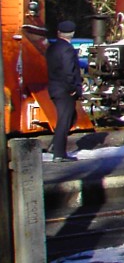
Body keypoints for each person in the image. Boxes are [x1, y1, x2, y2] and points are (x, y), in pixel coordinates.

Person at [46, 20, 83, 162]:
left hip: (54, 88)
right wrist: (72, 88)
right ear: (72, 34)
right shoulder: (67, 49)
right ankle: (59, 154)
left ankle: (55, 145)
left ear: (58, 32)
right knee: (64, 120)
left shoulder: (52, 48)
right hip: (65, 90)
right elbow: (69, 71)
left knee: (68, 117)